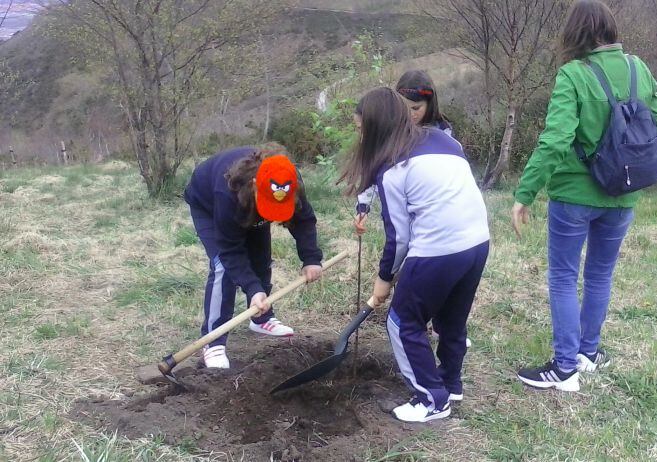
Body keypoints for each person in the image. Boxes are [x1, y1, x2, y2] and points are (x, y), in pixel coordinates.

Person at [511, 0, 657, 391]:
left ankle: (565, 369)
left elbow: (556, 139)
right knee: (600, 273)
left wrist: (525, 193)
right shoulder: (639, 69)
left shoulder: (573, 74)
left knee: (564, 276)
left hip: (574, 196)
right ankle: (588, 353)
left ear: (576, 32)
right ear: (609, 29)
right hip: (623, 195)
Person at [340, 87, 489, 423]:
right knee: (452, 318)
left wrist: (384, 280)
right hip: (477, 242)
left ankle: (431, 399)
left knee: (403, 321)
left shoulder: (392, 168)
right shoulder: (446, 142)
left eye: (361, 128)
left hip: (438, 249)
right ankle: (450, 383)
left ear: (376, 127)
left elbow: (399, 238)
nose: (359, 135)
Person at [184, 144, 323, 368]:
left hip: (249, 202)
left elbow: (304, 220)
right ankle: (213, 341)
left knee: (261, 258)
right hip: (208, 205)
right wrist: (252, 286)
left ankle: (261, 319)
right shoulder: (227, 192)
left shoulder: (287, 180)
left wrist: (311, 259)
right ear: (256, 186)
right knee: (222, 267)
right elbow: (231, 251)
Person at [353, 70, 454, 235]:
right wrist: (363, 207)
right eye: (405, 108)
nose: (411, 114)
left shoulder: (444, 134)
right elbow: (376, 168)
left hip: (438, 214)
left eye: (416, 108)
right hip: (403, 210)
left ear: (430, 105)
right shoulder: (392, 132)